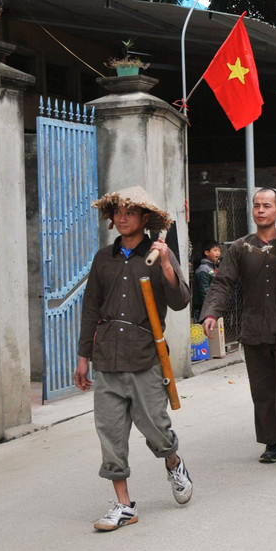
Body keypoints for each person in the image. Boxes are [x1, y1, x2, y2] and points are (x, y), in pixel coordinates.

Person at [75, 186, 193, 532]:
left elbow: (181, 301)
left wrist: (168, 265)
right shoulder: (103, 259)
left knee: (156, 426)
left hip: (145, 356)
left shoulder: (158, 254)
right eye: (117, 211)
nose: (122, 216)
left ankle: (173, 462)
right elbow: (90, 308)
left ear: (145, 218)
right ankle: (124, 505)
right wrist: (84, 356)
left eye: (130, 211)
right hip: (107, 357)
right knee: (110, 432)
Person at [200, 188, 276, 469]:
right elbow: (223, 282)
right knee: (263, 390)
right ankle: (272, 442)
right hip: (254, 329)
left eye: (267, 205)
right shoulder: (240, 247)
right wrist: (211, 312)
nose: (260, 210)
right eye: (256, 205)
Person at [192, 239, 221, 320]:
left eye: (219, 250)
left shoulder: (214, 267)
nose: (218, 253)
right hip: (203, 309)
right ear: (207, 253)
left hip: (212, 306)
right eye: (215, 250)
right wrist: (211, 307)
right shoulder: (203, 269)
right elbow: (204, 292)